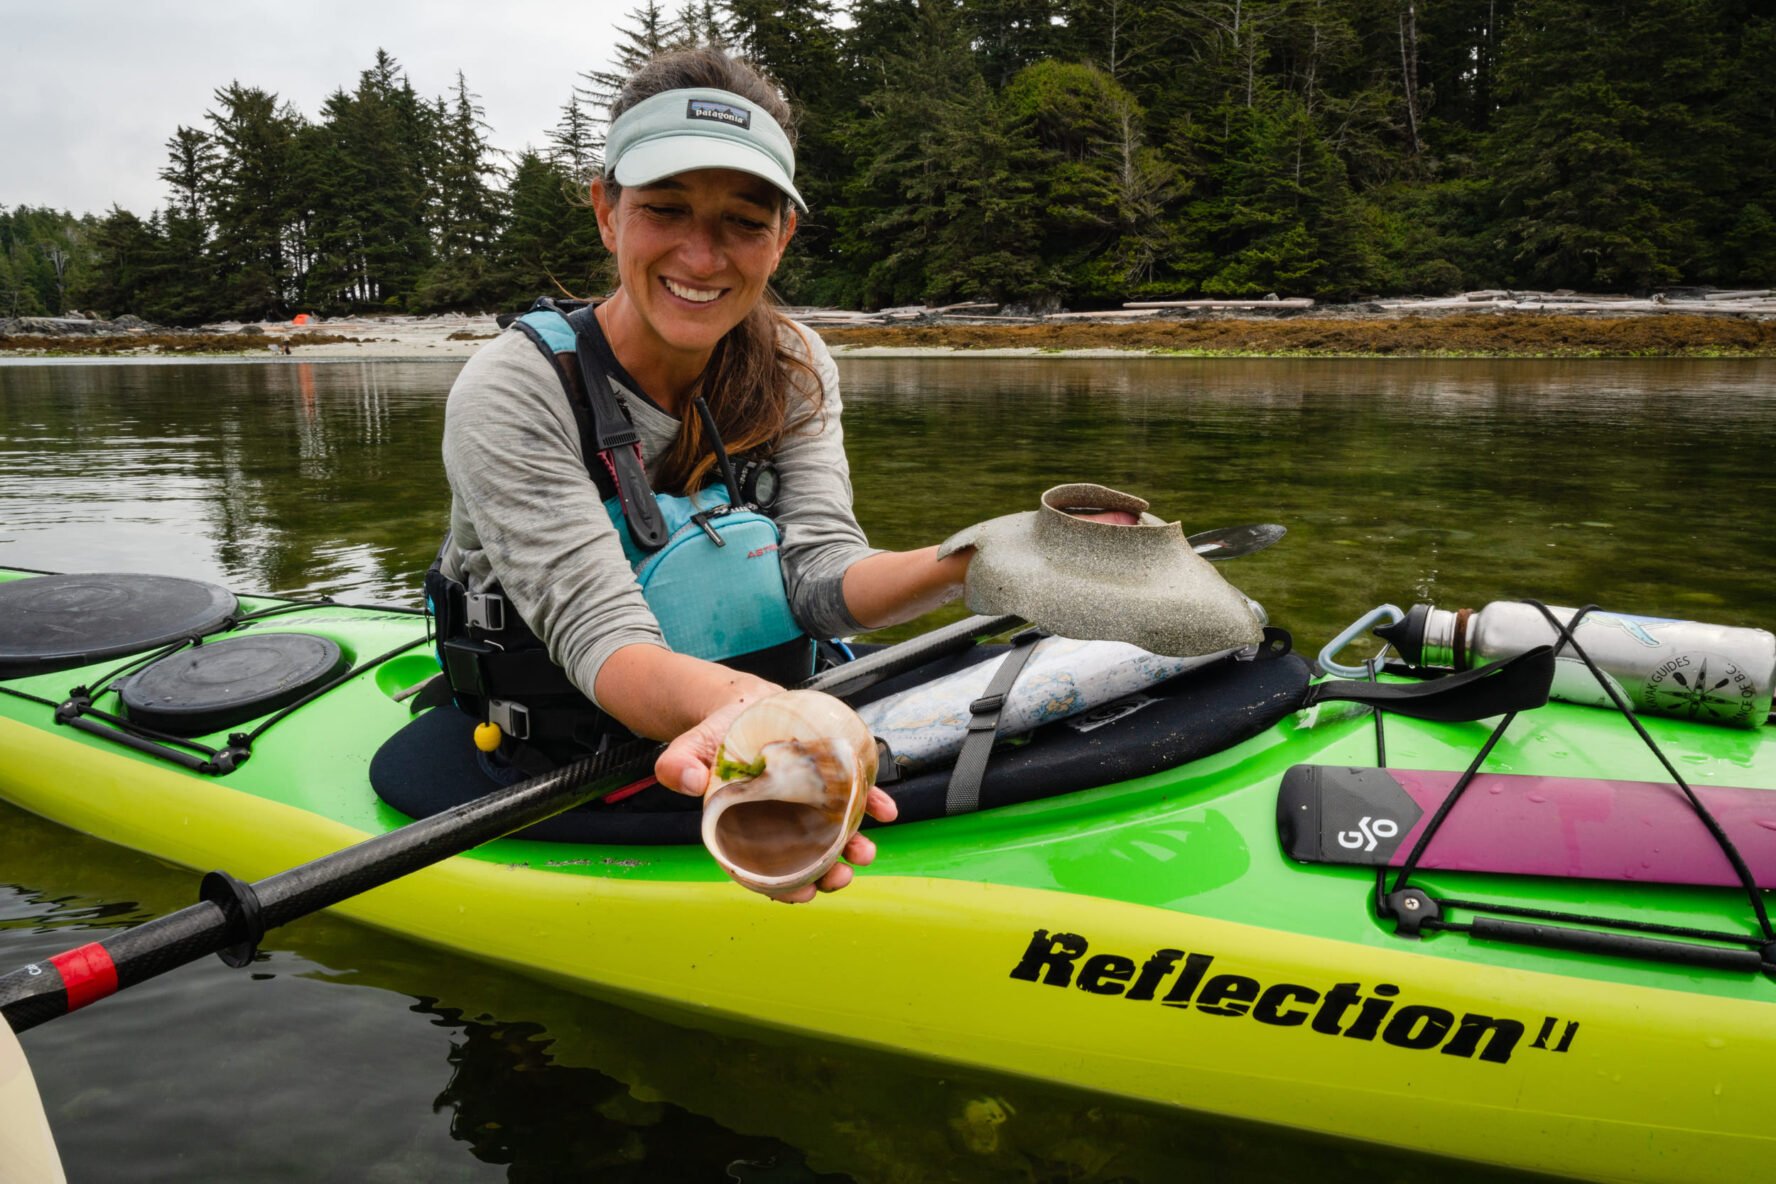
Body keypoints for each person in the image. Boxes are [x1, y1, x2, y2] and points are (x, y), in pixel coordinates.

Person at [435, 48, 970, 902]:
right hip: (564, 742)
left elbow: (820, 576)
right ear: (607, 211)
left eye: (744, 222)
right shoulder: (514, 387)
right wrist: (769, 723)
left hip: (754, 708)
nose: (702, 255)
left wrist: (973, 562)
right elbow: (601, 636)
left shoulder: (793, 361)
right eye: (666, 209)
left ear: (783, 236)